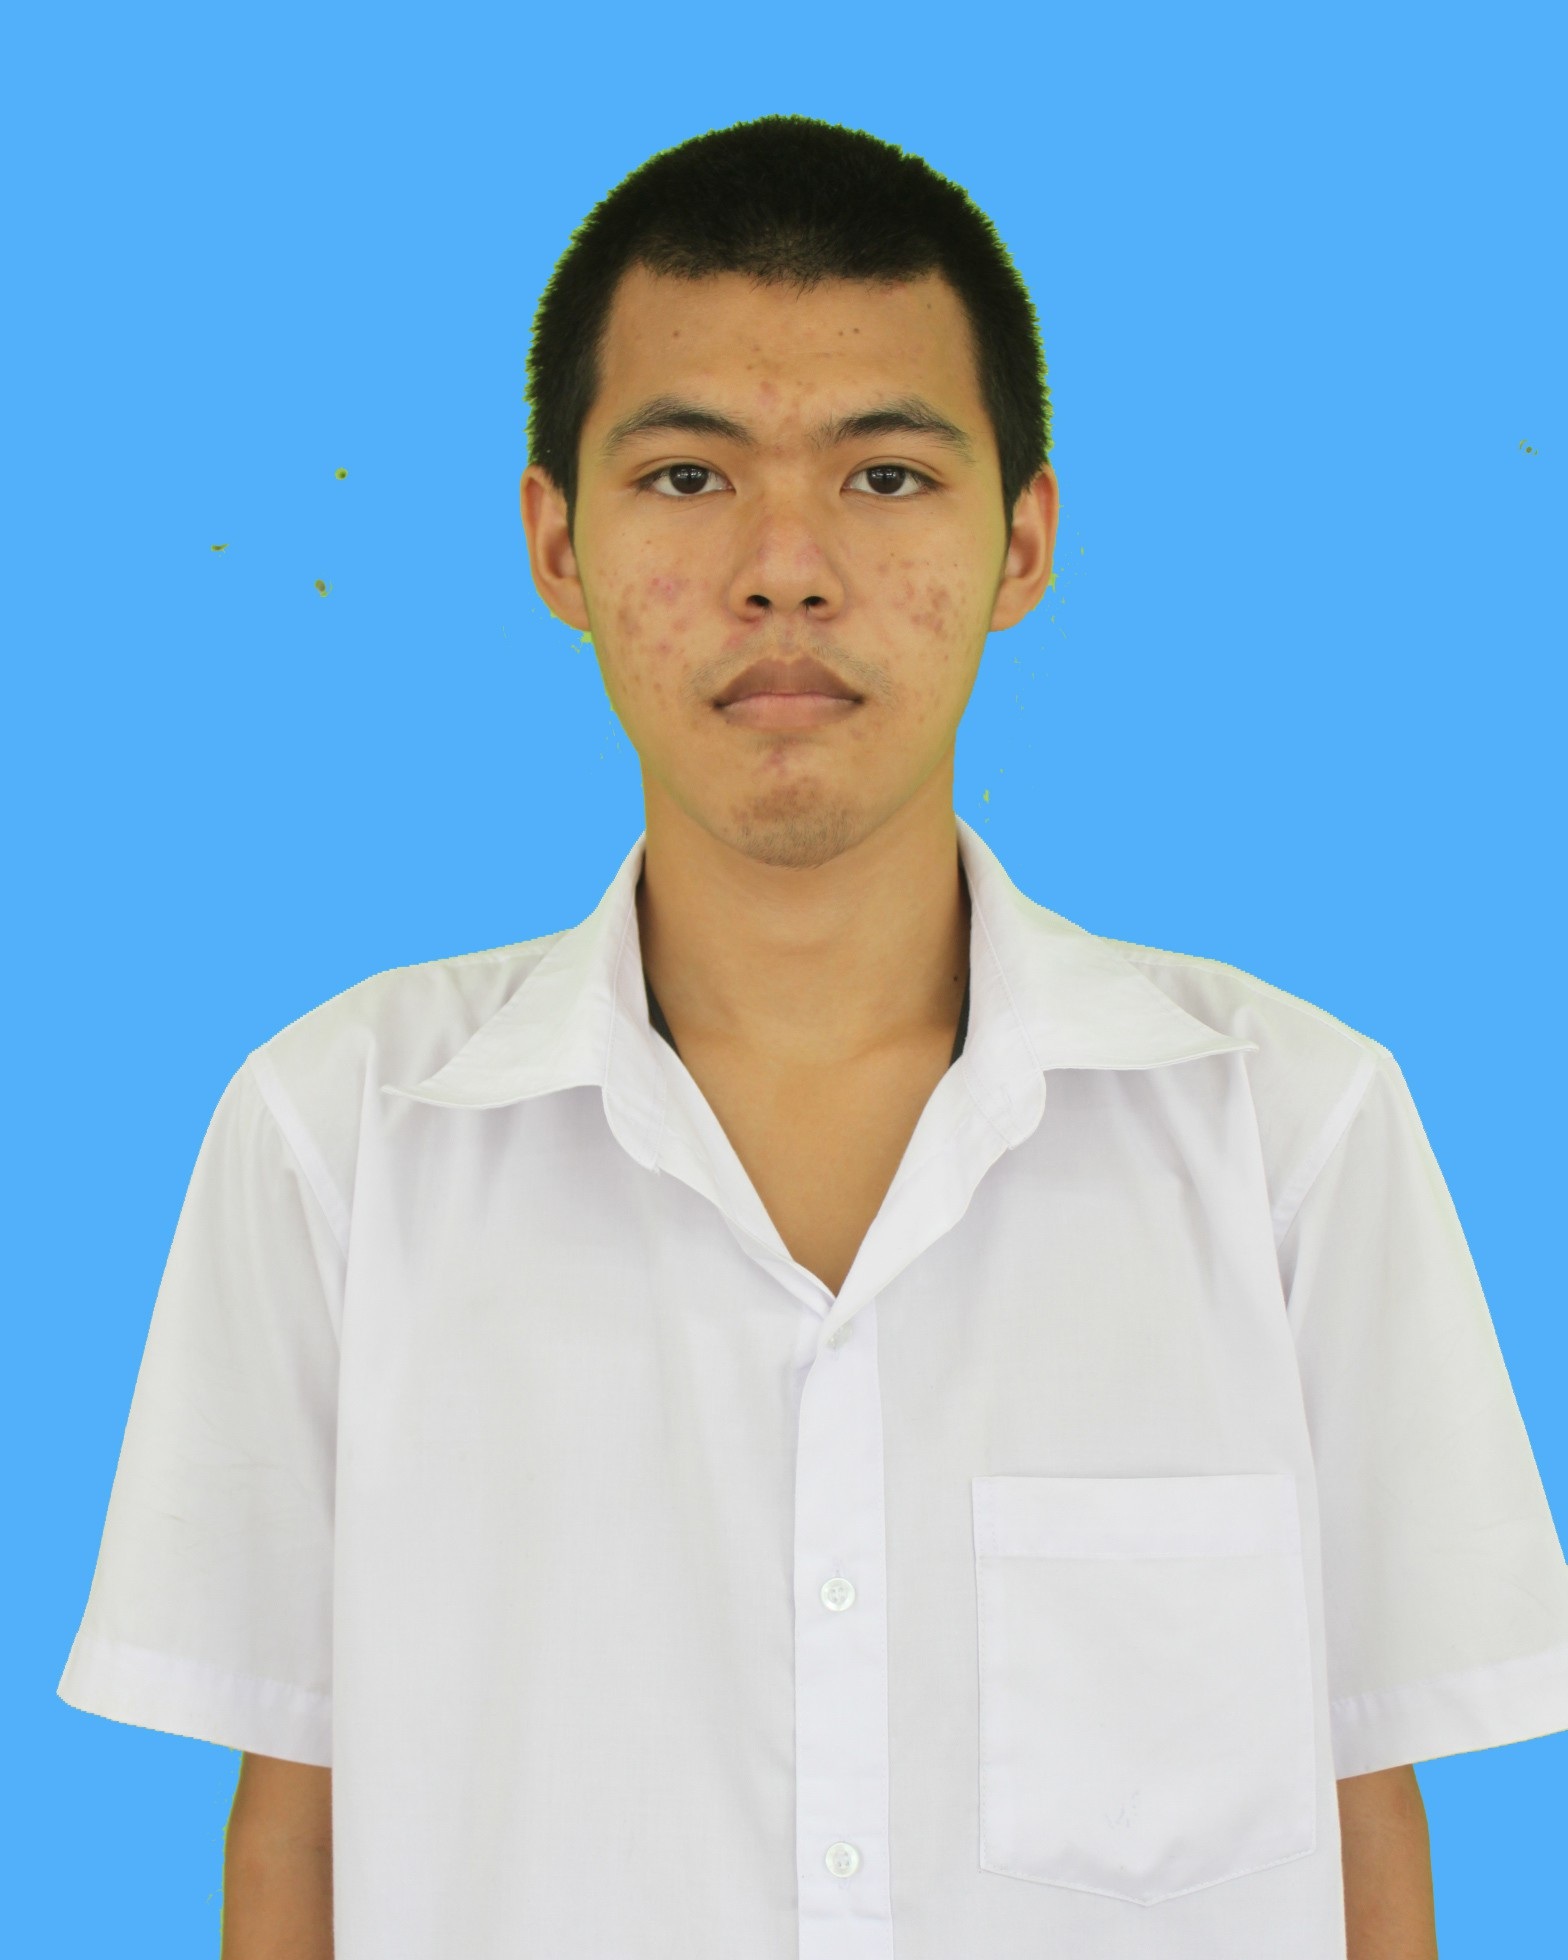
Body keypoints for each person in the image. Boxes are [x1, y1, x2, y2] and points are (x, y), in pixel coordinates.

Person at [58, 114, 1568, 1960]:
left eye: (886, 475)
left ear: (1023, 542)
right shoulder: (339, 1138)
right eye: (688, 475)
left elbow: (1365, 1826)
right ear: (557, 543)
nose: (786, 567)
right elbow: (290, 1836)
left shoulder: (1293, 1136)